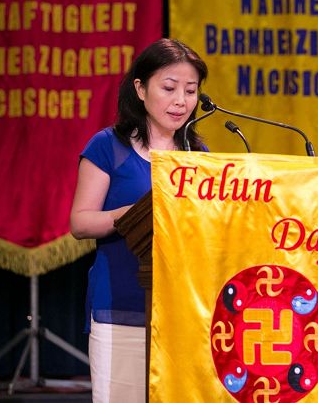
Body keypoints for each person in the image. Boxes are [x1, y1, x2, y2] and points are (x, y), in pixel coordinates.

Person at [70, 38, 208, 403]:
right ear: (141, 89)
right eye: (169, 88)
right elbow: (80, 223)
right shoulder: (107, 146)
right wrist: (133, 214)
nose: (181, 101)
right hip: (122, 307)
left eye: (190, 91)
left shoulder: (198, 154)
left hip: (184, 312)